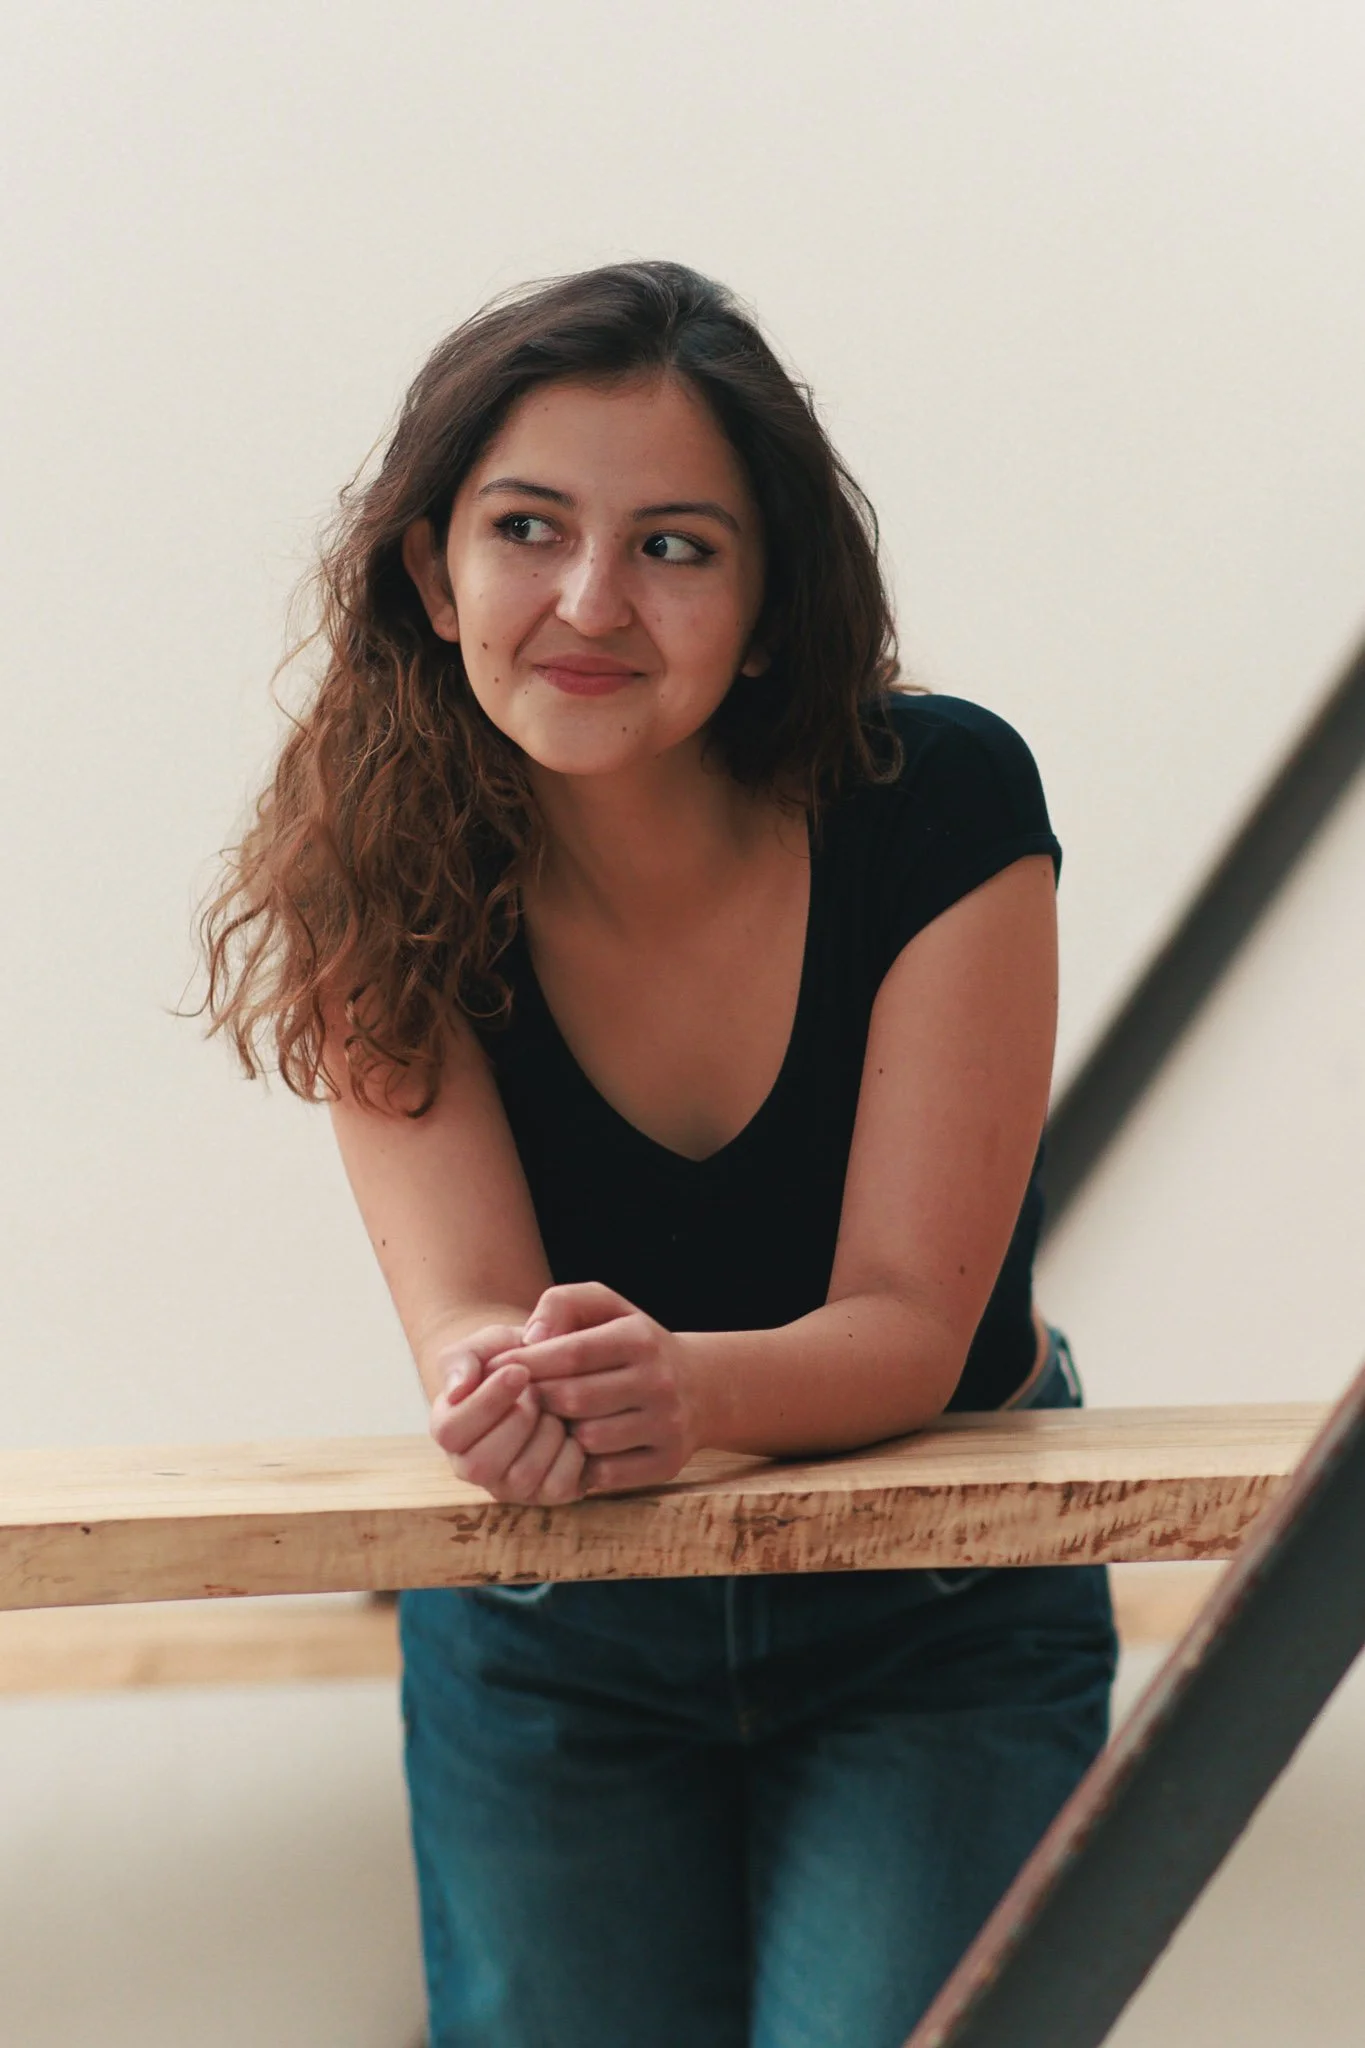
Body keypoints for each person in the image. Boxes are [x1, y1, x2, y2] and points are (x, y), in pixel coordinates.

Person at [200, 261, 1117, 2048]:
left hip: (931, 1607)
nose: (589, 602)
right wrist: (498, 1385)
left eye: (678, 547)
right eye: (526, 528)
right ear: (430, 567)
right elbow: (467, 1314)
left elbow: (911, 1326)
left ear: (772, 605)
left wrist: (663, 1392)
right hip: (559, 1626)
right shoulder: (371, 858)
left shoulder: (941, 805)